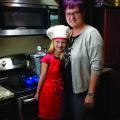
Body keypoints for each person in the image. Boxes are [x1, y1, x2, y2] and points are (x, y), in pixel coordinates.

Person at [61, 0, 103, 120]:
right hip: (67, 90)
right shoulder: (68, 33)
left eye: (76, 12)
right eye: (68, 13)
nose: (72, 17)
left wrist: (90, 94)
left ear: (83, 13)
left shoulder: (91, 34)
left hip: (82, 93)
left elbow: (97, 66)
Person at [34, 25, 71, 120]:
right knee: (48, 116)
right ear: (53, 42)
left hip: (60, 91)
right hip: (48, 92)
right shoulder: (47, 58)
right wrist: (38, 92)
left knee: (59, 115)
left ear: (66, 43)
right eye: (57, 42)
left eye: (63, 42)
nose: (60, 45)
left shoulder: (66, 57)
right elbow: (42, 76)